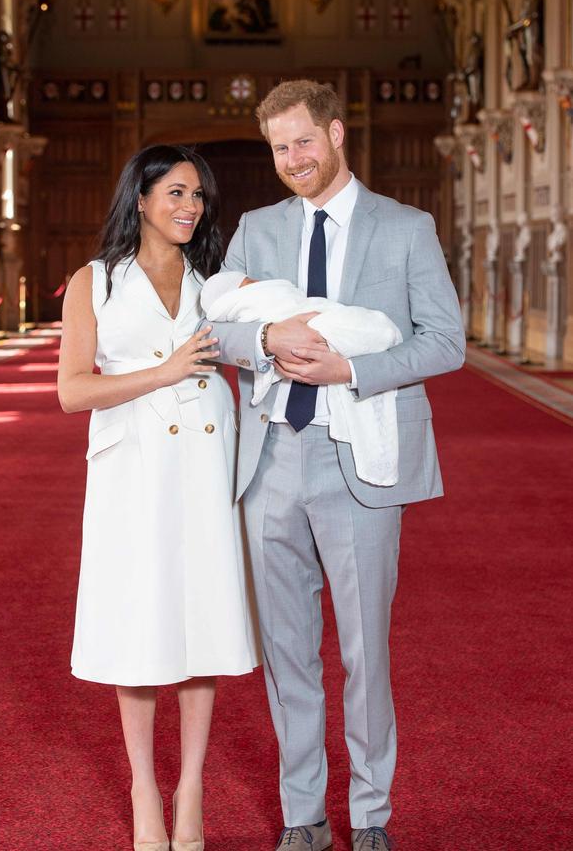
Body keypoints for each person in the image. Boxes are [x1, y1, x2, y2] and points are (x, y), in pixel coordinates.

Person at [201, 80, 466, 851]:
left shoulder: (405, 227)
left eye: (303, 142)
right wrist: (267, 344)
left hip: (362, 459)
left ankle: (373, 815)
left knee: (362, 652)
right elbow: (221, 332)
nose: (293, 160)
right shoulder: (256, 229)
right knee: (287, 654)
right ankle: (303, 818)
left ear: (337, 133)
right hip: (273, 460)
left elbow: (445, 341)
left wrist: (349, 370)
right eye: (280, 148)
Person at [58, 144, 260, 851]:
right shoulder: (94, 282)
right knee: (142, 623)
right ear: (139, 199)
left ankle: (191, 788)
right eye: (175, 193)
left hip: (207, 457)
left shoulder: (217, 280)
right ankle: (145, 784)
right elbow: (72, 390)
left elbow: (256, 343)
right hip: (132, 467)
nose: (190, 207)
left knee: (200, 622)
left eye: (198, 195)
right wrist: (165, 371)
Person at [200, 271, 402, 486]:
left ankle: (378, 331)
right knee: (339, 328)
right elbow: (206, 333)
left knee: (356, 326)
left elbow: (441, 339)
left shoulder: (409, 236)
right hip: (270, 442)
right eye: (249, 283)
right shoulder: (248, 244)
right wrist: (267, 338)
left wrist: (350, 371)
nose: (257, 283)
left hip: (345, 438)